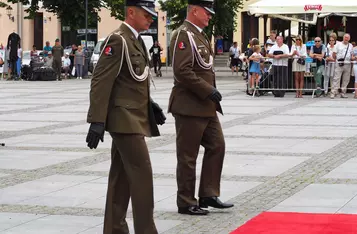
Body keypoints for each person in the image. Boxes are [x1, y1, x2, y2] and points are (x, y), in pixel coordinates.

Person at [85, 0, 166, 233]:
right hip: (124, 120)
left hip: (133, 116)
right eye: (146, 14)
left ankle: (114, 229)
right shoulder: (118, 40)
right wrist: (97, 120)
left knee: (120, 179)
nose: (151, 19)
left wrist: (150, 105)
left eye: (152, 15)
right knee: (142, 176)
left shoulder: (136, 40)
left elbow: (130, 81)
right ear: (131, 12)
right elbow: (101, 81)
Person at [169, 0, 234, 216]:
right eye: (207, 12)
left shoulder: (199, 34)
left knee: (217, 145)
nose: (209, 16)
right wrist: (208, 89)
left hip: (205, 106)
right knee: (188, 156)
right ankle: (186, 201)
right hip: (189, 105)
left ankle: (208, 193)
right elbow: (182, 70)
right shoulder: (183, 34)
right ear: (195, 10)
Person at [331, 33, 353, 99]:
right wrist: (336, 60)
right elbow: (334, 54)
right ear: (343, 38)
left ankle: (343, 93)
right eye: (345, 37)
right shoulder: (338, 44)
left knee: (346, 79)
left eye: (347, 38)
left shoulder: (351, 45)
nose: (346, 39)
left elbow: (351, 54)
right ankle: (333, 92)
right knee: (336, 78)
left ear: (349, 39)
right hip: (339, 63)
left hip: (348, 64)